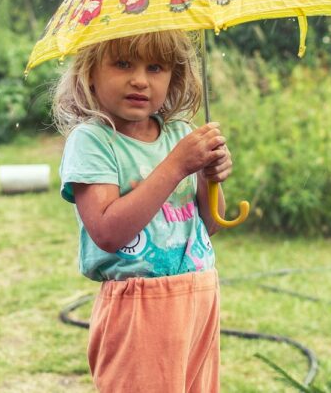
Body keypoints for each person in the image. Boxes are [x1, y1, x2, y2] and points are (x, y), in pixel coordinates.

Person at [53, 30, 233, 392]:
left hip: (199, 296)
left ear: (174, 76)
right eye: (122, 64)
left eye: (155, 67)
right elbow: (107, 232)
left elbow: (211, 222)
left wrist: (211, 177)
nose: (139, 80)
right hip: (140, 307)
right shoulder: (93, 141)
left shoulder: (179, 133)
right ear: (90, 72)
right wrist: (177, 166)